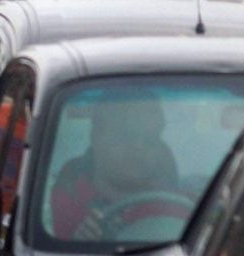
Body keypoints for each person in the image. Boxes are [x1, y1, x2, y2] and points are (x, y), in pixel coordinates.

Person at [48, 93, 181, 240]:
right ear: (95, 137)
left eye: (150, 140)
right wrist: (80, 241)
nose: (139, 147)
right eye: (126, 136)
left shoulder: (187, 207)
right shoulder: (69, 195)